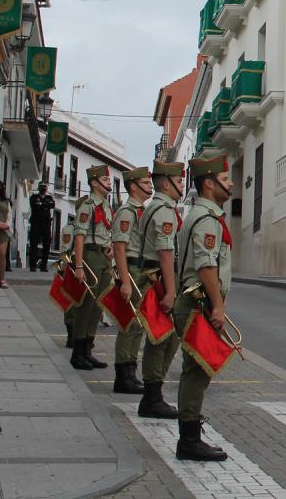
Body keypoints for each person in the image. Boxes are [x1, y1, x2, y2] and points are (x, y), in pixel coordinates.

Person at [172, 155, 233, 462]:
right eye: (226, 177)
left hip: (195, 301)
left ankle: (190, 434)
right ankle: (189, 440)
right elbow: (206, 264)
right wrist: (218, 305)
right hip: (198, 303)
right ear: (209, 183)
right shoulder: (207, 219)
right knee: (197, 373)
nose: (232, 182)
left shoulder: (201, 215)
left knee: (194, 372)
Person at [132, 160, 184, 419]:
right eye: (179, 180)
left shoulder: (157, 208)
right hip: (159, 276)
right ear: (167, 183)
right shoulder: (163, 212)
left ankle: (153, 393)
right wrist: (171, 291)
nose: (182, 185)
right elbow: (166, 252)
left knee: (163, 336)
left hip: (155, 274)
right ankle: (152, 396)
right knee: (161, 337)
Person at [111, 167, 152, 395]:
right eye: (145, 183)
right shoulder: (127, 212)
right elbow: (119, 246)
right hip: (132, 268)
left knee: (138, 324)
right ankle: (123, 375)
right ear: (133, 186)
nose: (150, 186)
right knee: (129, 324)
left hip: (141, 268)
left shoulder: (141, 212)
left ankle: (130, 372)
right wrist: (125, 281)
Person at [70, 165, 114, 370]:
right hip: (90, 255)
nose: (109, 182)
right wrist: (79, 265)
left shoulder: (106, 206)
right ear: (94, 182)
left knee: (98, 305)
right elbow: (79, 235)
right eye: (105, 179)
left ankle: (88, 349)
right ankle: (78, 352)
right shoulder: (87, 206)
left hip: (103, 257)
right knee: (86, 304)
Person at [58, 215, 76, 348]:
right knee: (70, 302)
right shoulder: (70, 228)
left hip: (86, 265)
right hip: (71, 266)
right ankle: (71, 335)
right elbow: (65, 249)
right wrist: (62, 269)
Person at [27, 183, 55, 271]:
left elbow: (52, 205)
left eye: (45, 187)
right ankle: (33, 266)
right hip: (35, 223)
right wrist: (45, 205)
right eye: (41, 187)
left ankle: (43, 266)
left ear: (46, 189)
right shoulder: (34, 197)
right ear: (39, 188)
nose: (43, 188)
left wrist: (41, 204)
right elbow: (34, 205)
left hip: (46, 224)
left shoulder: (49, 198)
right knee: (33, 244)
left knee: (47, 245)